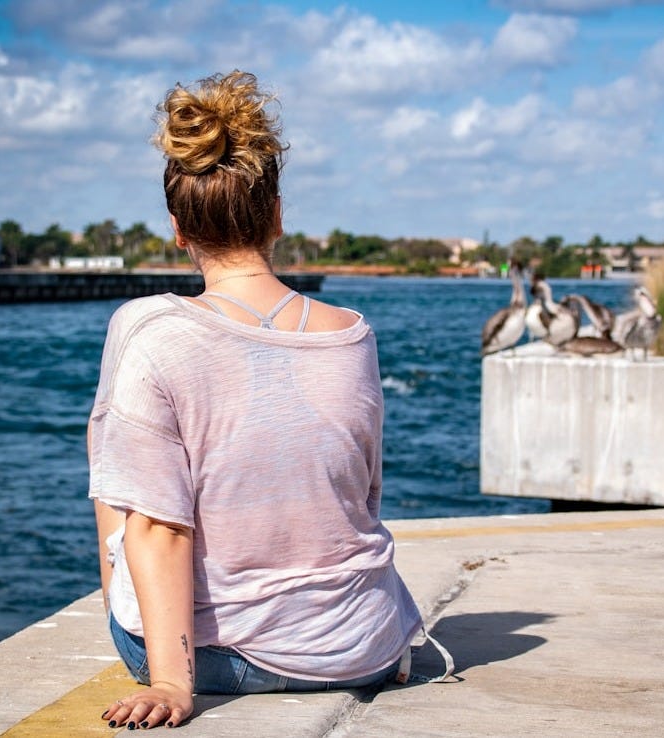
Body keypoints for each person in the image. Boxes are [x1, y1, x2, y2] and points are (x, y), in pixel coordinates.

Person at [89, 71, 423, 730]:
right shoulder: (353, 335)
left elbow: (158, 525)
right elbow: (361, 493)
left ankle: (161, 649)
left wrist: (170, 685)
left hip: (228, 659)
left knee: (121, 463)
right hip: (366, 647)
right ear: (275, 216)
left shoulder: (151, 332)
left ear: (178, 232)